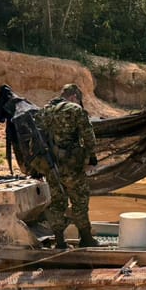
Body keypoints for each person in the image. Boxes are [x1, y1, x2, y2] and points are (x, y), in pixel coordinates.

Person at [37, 83, 99, 249]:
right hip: (72, 167)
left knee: (57, 202)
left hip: (50, 167)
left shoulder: (44, 111)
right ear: (74, 97)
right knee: (79, 200)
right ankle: (86, 239)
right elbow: (88, 137)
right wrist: (92, 159)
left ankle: (60, 241)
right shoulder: (75, 109)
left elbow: (36, 139)